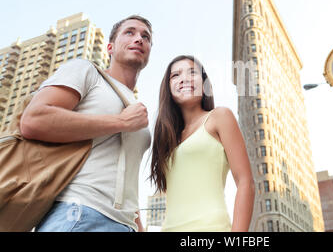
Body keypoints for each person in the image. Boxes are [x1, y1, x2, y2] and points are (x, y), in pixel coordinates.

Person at [20, 15, 153, 232]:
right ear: (110, 47)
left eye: (145, 36)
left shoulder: (137, 107)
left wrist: (139, 227)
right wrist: (120, 122)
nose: (139, 38)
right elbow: (34, 119)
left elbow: (125, 176)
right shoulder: (87, 71)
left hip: (125, 225)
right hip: (79, 213)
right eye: (130, 32)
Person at [151, 55, 255, 232]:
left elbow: (246, 182)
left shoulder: (220, 117)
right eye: (175, 75)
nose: (184, 78)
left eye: (192, 73)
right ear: (167, 88)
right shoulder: (167, 140)